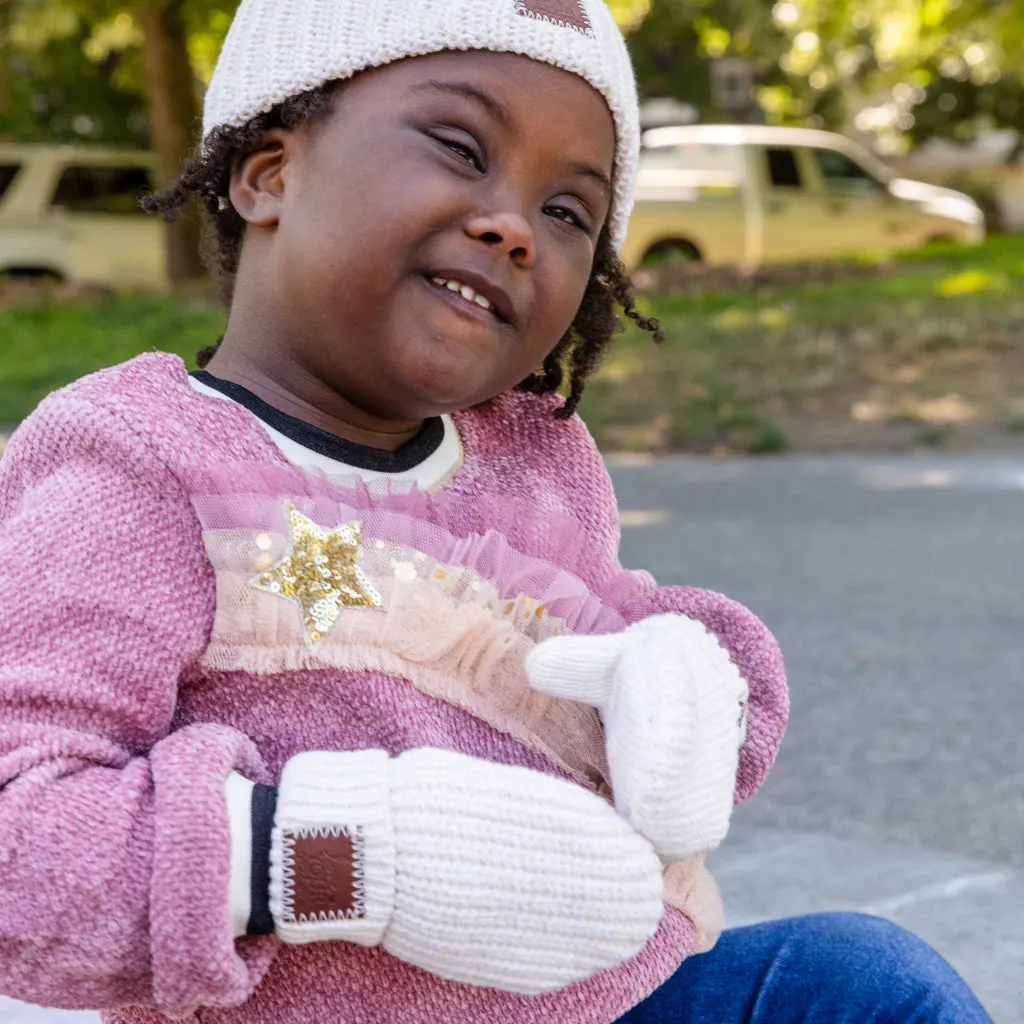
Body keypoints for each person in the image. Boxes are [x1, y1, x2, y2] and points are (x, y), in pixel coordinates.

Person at [0, 1, 992, 1022]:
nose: (513, 225)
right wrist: (339, 856)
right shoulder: (138, 459)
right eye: (458, 145)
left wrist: (688, 686)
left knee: (865, 978)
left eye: (569, 212)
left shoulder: (536, 456)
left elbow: (626, 654)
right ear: (267, 171)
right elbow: (19, 841)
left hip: (604, 999)